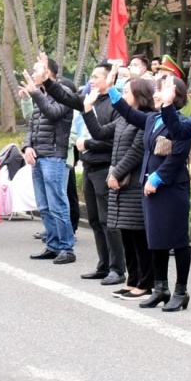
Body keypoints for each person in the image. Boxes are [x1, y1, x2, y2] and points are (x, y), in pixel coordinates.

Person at [111, 71, 191, 310]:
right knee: (156, 240)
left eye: (161, 89)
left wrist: (157, 178)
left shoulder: (181, 121)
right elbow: (128, 112)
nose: (155, 93)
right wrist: (111, 89)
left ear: (174, 94)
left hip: (171, 189)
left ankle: (181, 291)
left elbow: (177, 155)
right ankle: (161, 288)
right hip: (150, 190)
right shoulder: (152, 119)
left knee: (178, 241)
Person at [53, 63, 120, 281]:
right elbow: (66, 98)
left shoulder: (116, 104)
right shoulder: (89, 101)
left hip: (105, 166)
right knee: (93, 219)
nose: (91, 80)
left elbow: (113, 141)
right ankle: (103, 264)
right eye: (91, 76)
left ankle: (117, 268)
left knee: (108, 221)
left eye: (96, 76)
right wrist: (44, 83)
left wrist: (88, 144)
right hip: (89, 166)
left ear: (110, 79)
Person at [21, 55, 78, 264]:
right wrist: (27, 146)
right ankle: (52, 245)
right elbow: (32, 125)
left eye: (36, 71)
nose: (32, 74)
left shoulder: (65, 93)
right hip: (38, 157)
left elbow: (53, 113)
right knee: (44, 206)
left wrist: (35, 93)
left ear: (48, 73)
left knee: (57, 204)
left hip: (54, 156)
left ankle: (67, 248)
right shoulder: (41, 95)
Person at [103, 77, 151, 293]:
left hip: (133, 184)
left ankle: (145, 283)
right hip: (120, 185)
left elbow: (137, 151)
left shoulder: (145, 119)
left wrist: (116, 172)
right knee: (126, 235)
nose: (123, 96)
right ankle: (132, 280)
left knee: (138, 236)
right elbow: (101, 133)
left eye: (126, 92)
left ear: (139, 95)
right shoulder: (123, 119)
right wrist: (86, 110)